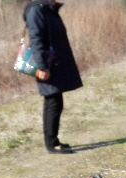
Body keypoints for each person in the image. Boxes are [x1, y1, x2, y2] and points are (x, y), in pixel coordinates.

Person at [23, 0, 83, 153]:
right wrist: (42, 66)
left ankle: (53, 141)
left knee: (55, 101)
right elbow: (36, 40)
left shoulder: (47, 9)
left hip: (53, 63)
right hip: (46, 64)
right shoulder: (36, 10)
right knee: (53, 102)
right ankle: (52, 144)